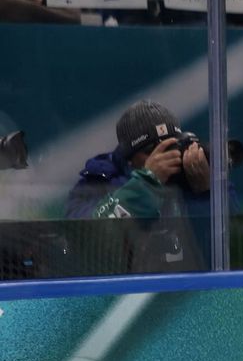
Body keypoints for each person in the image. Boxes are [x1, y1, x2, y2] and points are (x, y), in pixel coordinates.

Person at [64, 99, 218, 273]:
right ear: (129, 158)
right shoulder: (96, 184)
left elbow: (235, 253)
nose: (163, 157)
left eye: (171, 147)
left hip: (187, 293)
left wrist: (206, 194)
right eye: (151, 150)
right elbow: (84, 241)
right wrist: (147, 181)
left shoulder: (193, 177)